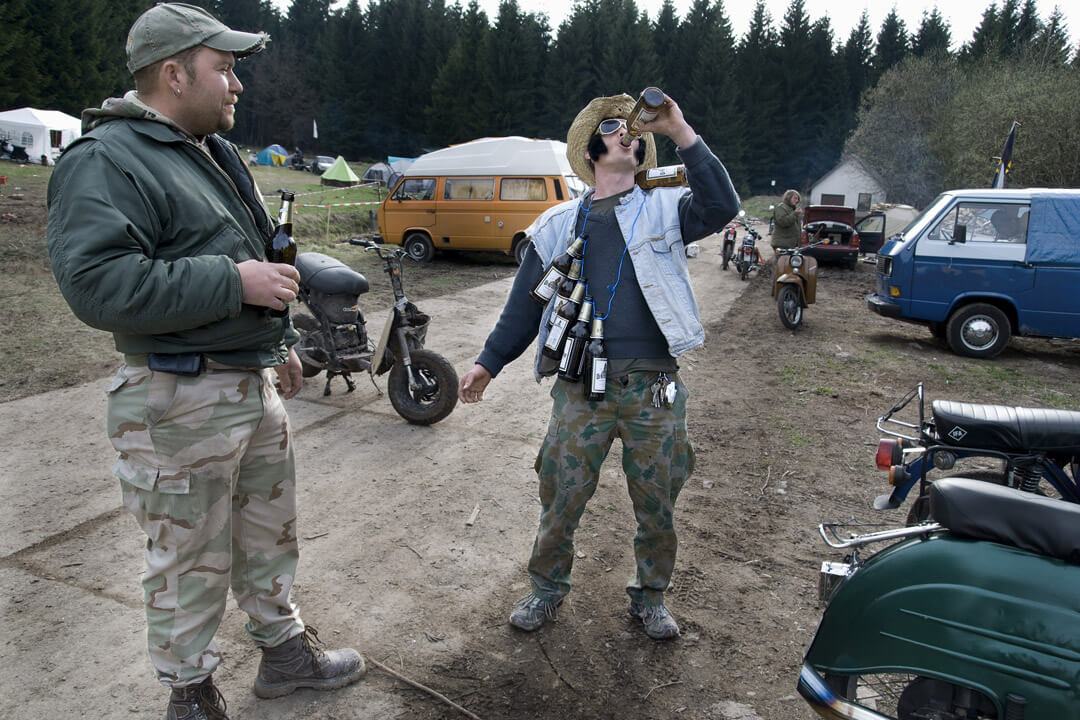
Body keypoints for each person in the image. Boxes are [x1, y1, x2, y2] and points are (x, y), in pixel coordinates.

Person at [46, 4, 364, 718]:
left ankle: (284, 656)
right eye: (223, 68)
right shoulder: (106, 159)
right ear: (172, 73)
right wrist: (232, 284)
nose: (237, 86)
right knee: (189, 561)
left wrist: (274, 343)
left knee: (268, 537)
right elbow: (98, 287)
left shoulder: (209, 151)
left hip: (244, 385)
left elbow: (254, 252)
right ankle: (189, 693)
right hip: (178, 398)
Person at [457, 92, 739, 640]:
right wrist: (487, 363)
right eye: (612, 127)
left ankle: (651, 597)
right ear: (590, 150)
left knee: (658, 501)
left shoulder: (667, 209)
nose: (626, 133)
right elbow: (523, 308)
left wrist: (681, 130)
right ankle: (545, 589)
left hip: (653, 388)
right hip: (580, 387)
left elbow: (721, 207)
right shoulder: (558, 224)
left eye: (634, 130)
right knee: (560, 495)